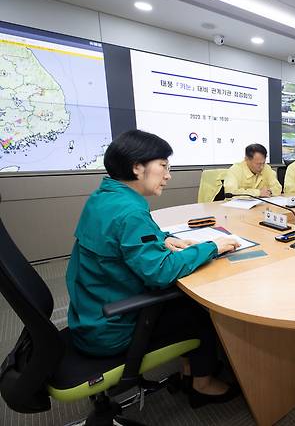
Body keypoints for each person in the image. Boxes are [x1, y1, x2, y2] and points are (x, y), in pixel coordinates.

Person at [66, 130, 241, 408]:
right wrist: (212, 247)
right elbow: (160, 272)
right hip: (112, 328)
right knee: (201, 311)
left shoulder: (106, 196)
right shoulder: (130, 211)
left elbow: (119, 237)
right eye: (163, 166)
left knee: (186, 302)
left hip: (89, 313)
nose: (168, 175)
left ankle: (189, 372)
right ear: (137, 167)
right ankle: (201, 385)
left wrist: (164, 238)